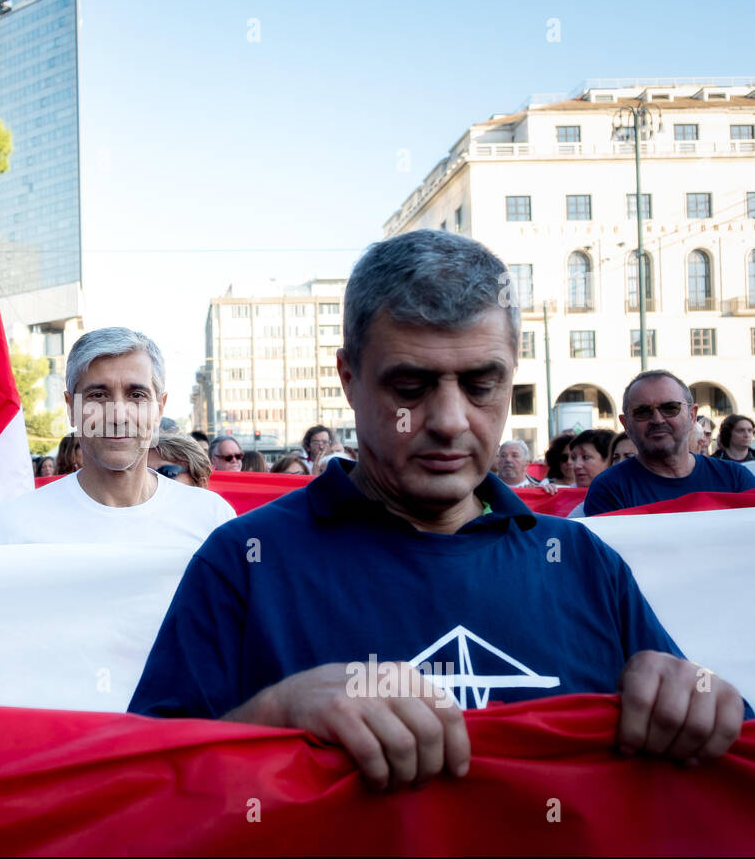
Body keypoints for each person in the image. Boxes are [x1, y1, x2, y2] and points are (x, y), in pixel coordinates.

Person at [129, 230, 744, 791]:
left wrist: (695, 695)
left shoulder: (582, 561)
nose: (450, 422)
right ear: (349, 378)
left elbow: (718, 745)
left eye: (482, 385)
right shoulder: (243, 563)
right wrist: (267, 719)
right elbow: (142, 797)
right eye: (411, 386)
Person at [0, 328, 234, 547]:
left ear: (159, 409)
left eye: (136, 395)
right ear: (71, 407)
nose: (117, 415)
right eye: (98, 395)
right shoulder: (8, 531)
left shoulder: (212, 521)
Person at [583, 372, 755, 516]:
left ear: (692, 415)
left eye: (670, 408)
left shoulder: (736, 479)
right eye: (642, 412)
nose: (657, 420)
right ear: (626, 424)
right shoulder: (608, 489)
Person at [148, 433, 213, 488]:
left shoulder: (218, 502)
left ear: (200, 485)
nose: (150, 480)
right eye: (146, 472)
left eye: (167, 472)